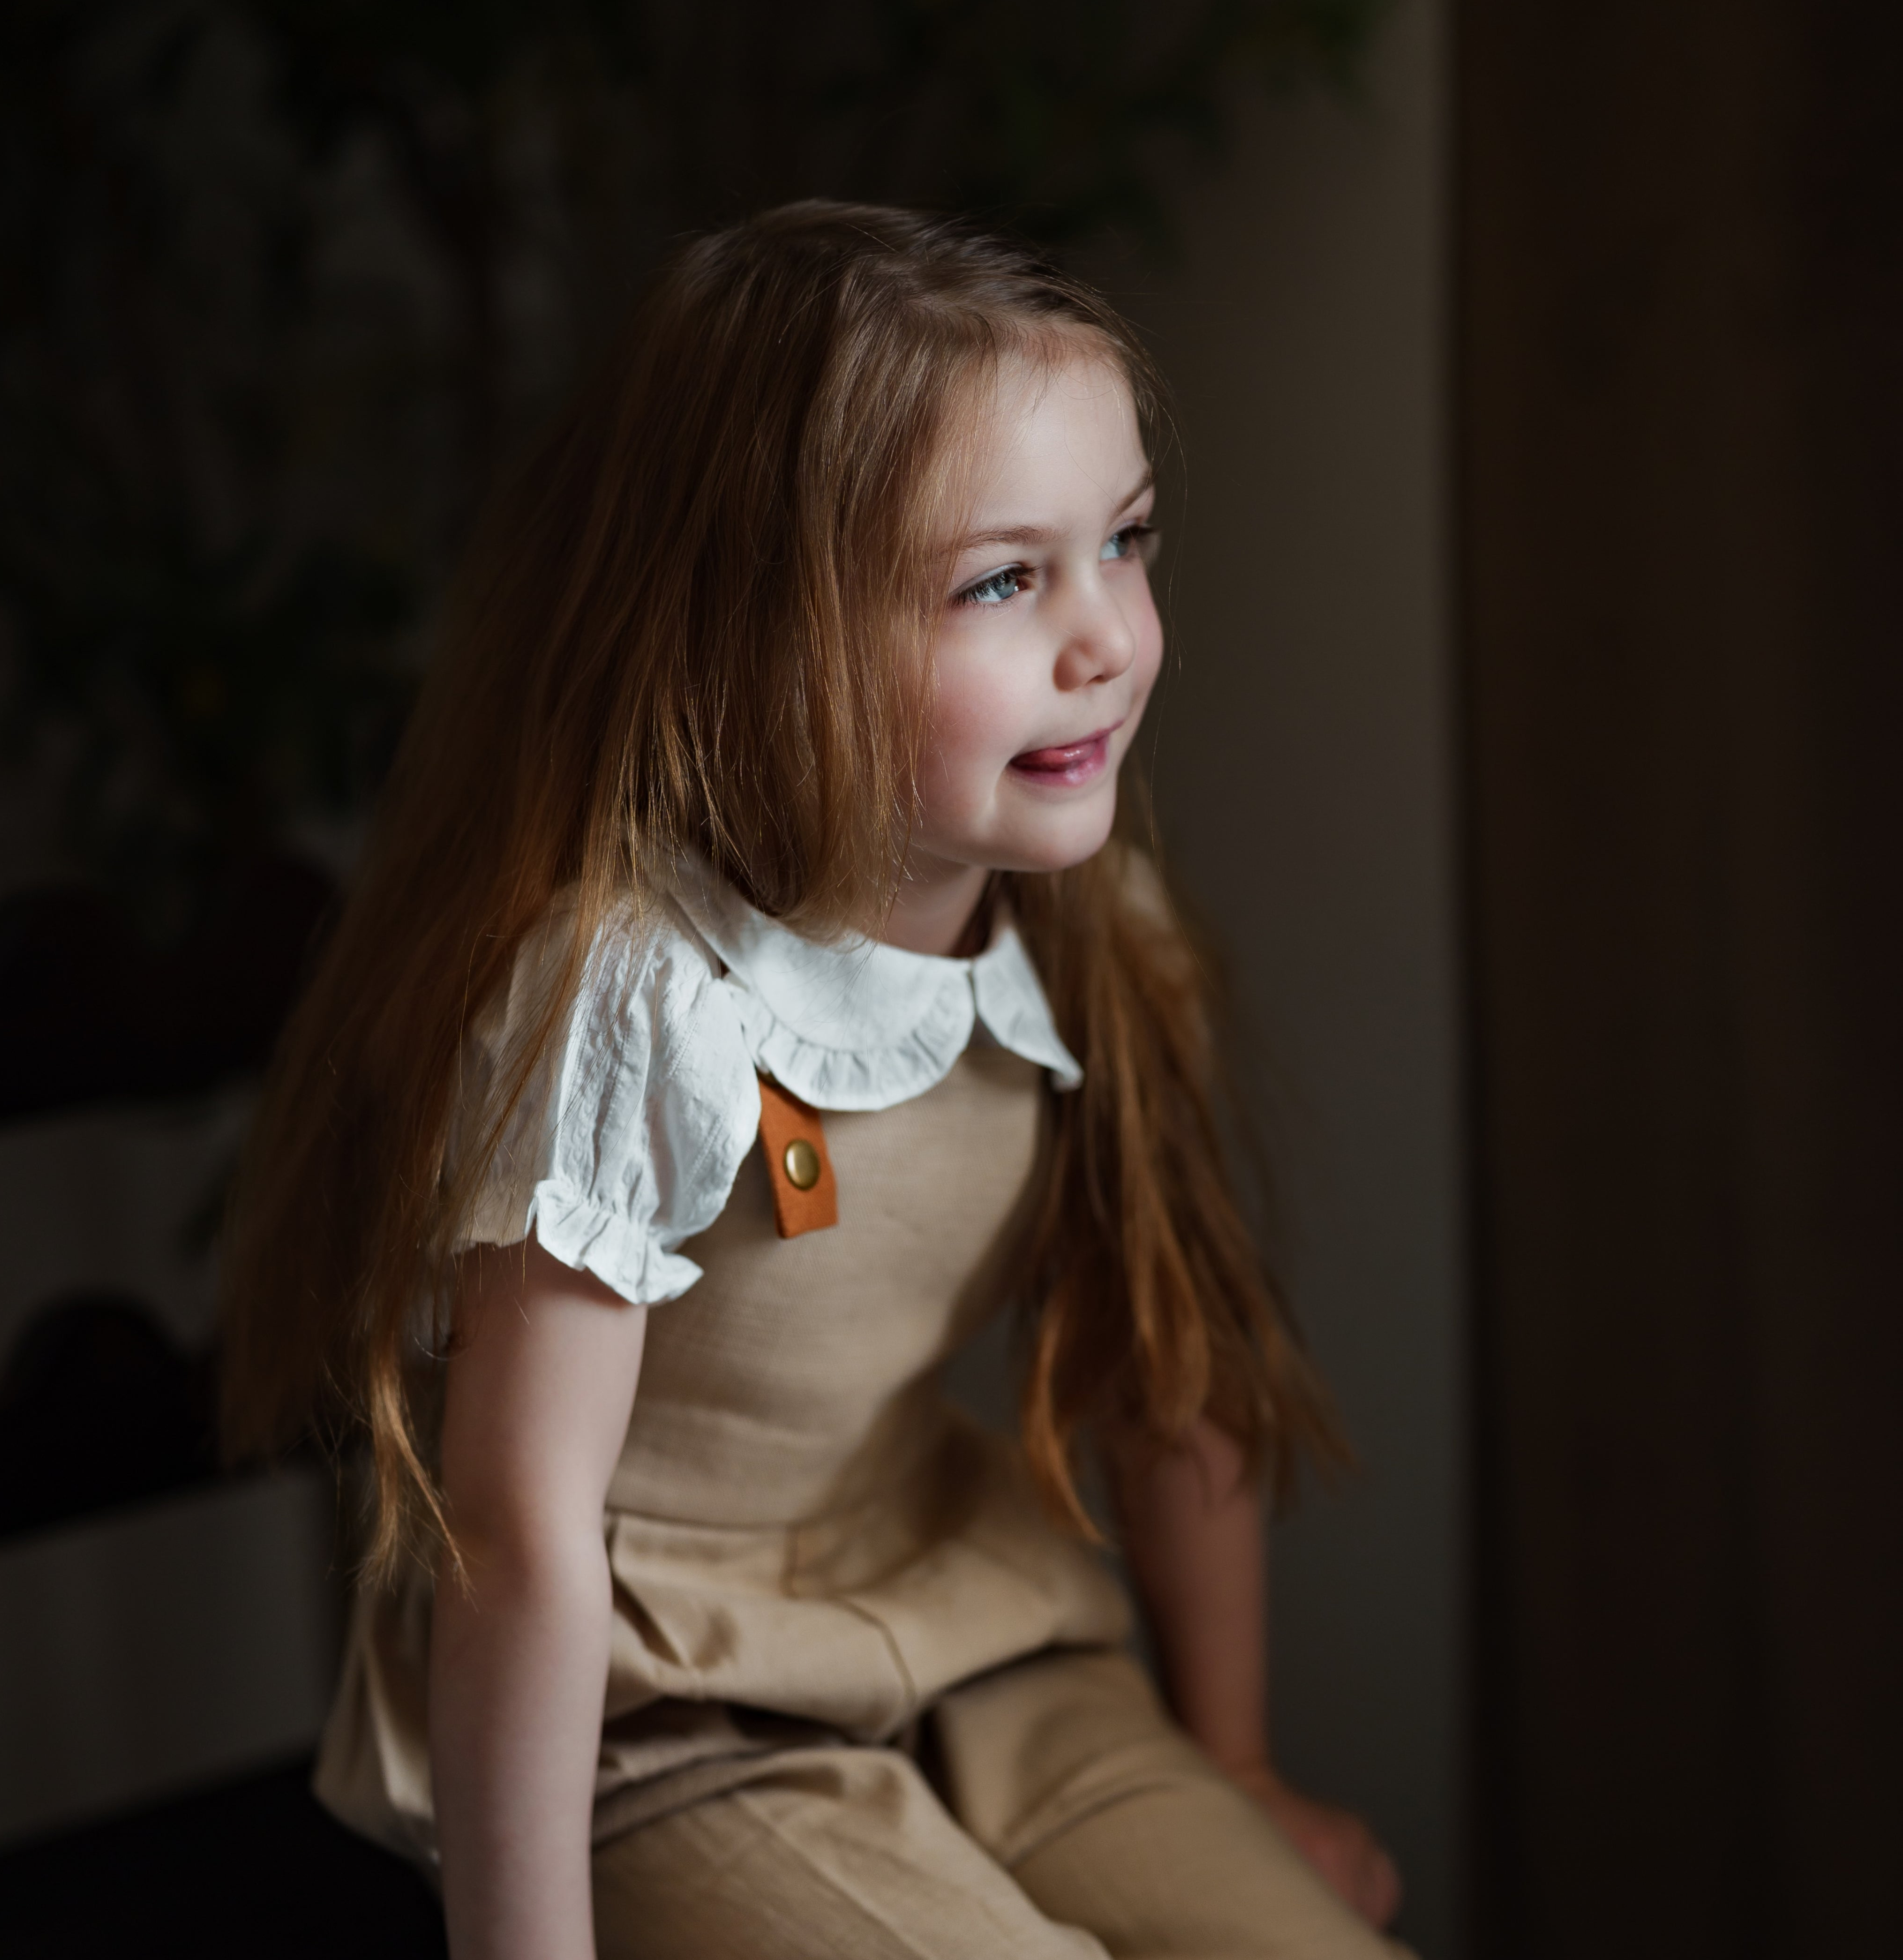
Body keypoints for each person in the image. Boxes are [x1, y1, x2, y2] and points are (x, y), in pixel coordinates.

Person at [223, 201, 1407, 1960]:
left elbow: (1175, 1365)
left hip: (977, 1628)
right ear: (763, 630)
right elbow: (523, 1534)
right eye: (1003, 579)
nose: (1109, 639)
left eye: (1127, 540)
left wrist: (1231, 1757)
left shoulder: (1082, 923)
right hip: (663, 1706)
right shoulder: (631, 997)